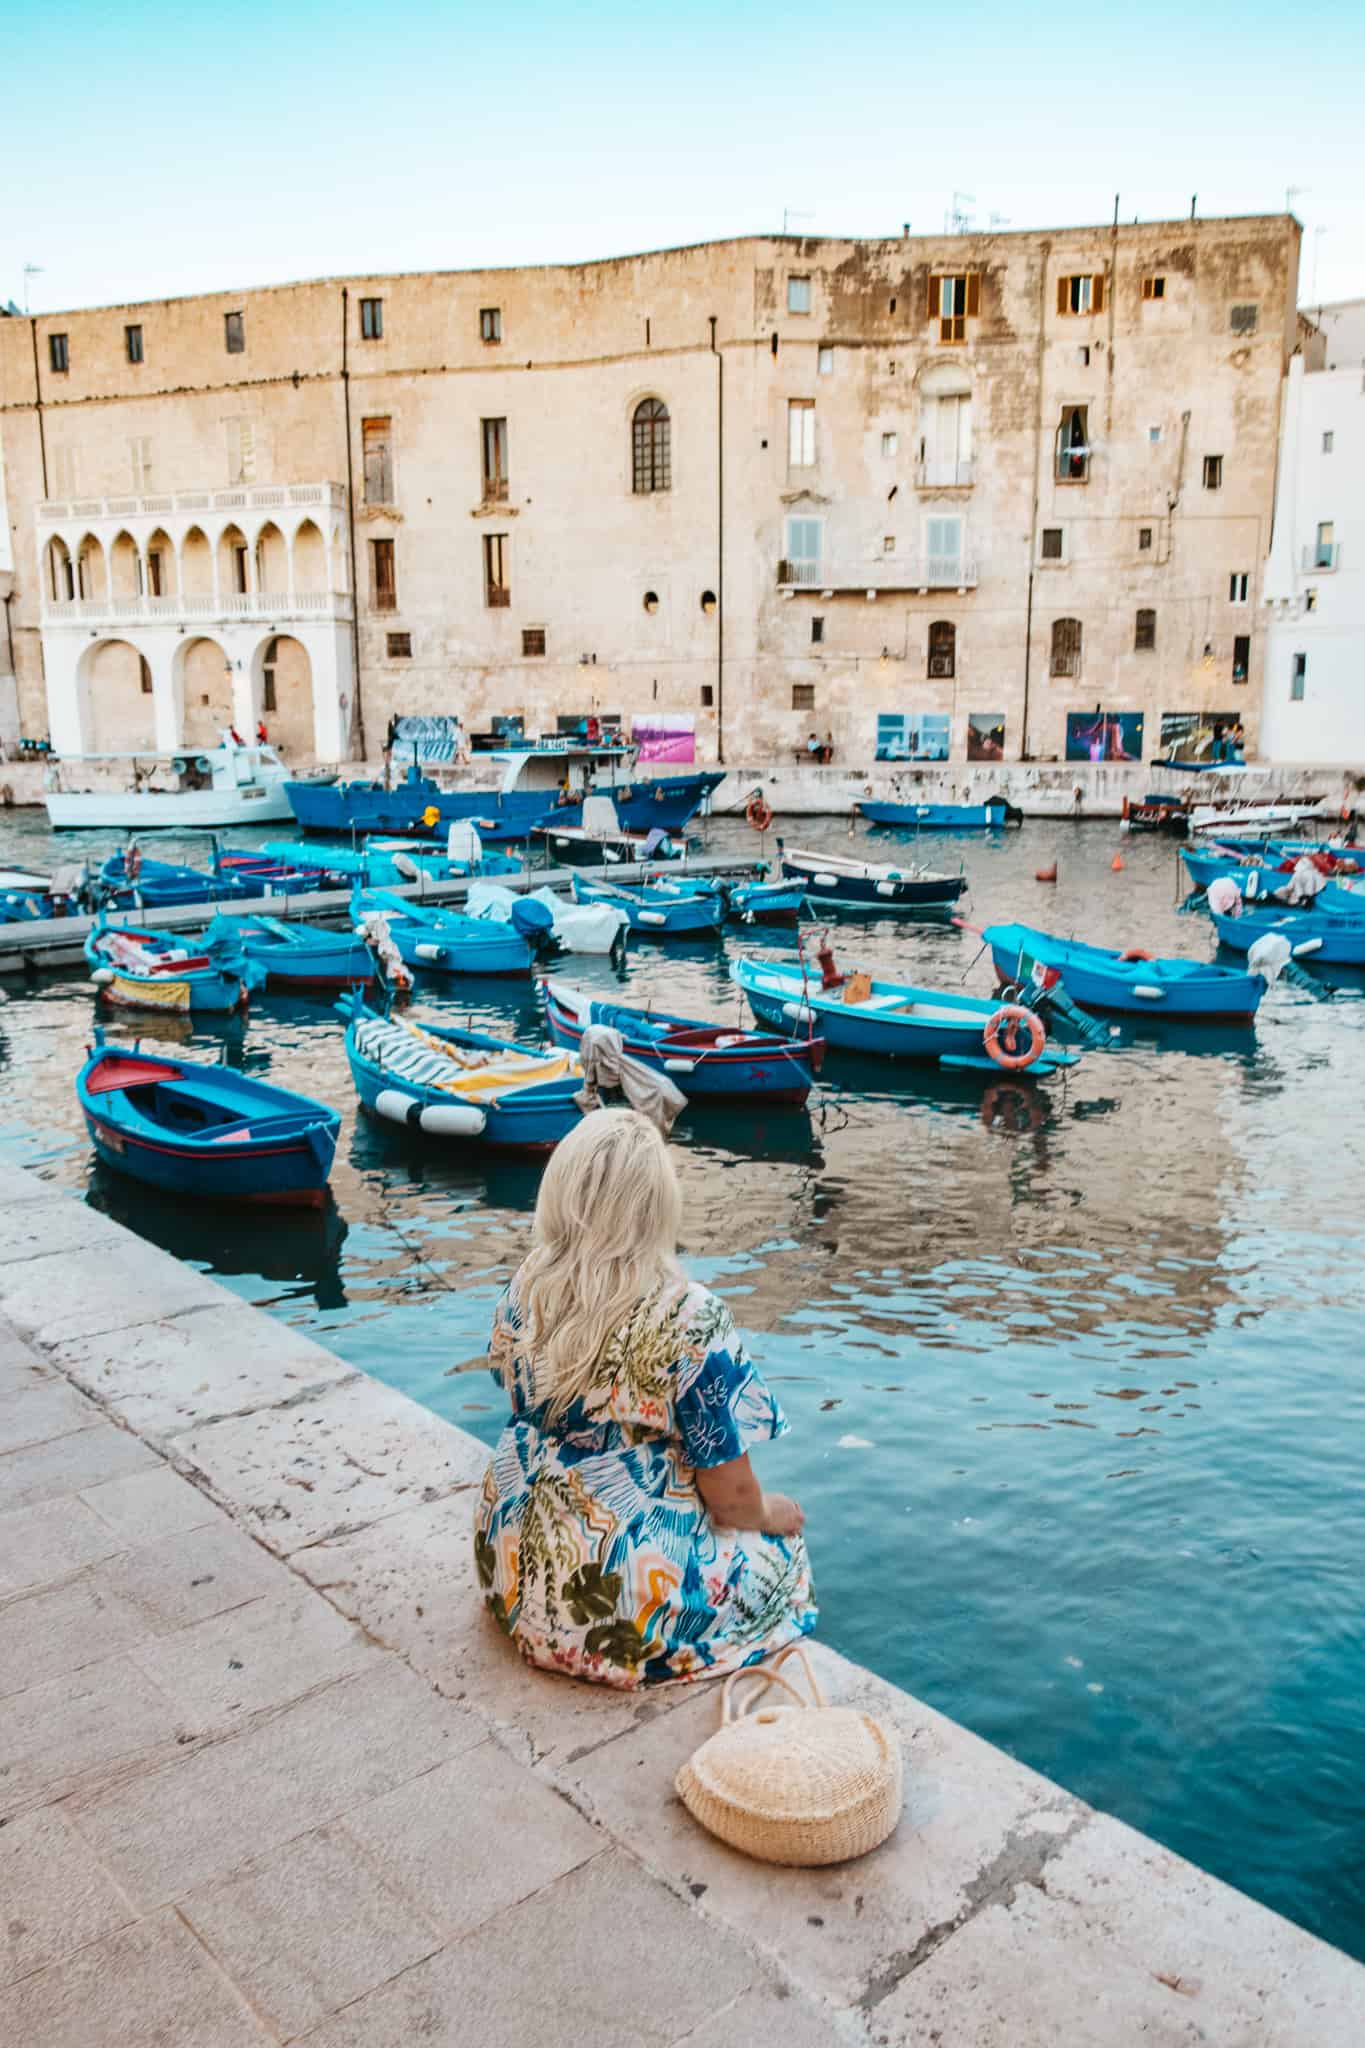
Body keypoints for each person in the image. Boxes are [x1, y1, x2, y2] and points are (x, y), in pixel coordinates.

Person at [475, 1110, 815, 1687]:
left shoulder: (525, 1285)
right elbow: (731, 1500)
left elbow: (508, 1386)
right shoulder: (690, 1317)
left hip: (512, 1565)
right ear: (658, 1204)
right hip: (620, 1605)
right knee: (785, 1563)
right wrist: (773, 1515)